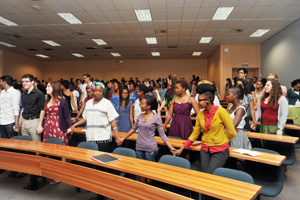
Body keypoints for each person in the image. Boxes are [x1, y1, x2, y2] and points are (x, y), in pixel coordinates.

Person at [176, 84, 236, 174]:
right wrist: (183, 147)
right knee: (204, 174)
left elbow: (232, 132)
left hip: (220, 150)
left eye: (200, 100)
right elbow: (195, 133)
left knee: (210, 174)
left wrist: (220, 140)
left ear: (208, 101)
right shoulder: (200, 114)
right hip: (205, 149)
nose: (197, 103)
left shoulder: (221, 112)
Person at [118, 95, 176, 164]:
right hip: (139, 148)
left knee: (149, 169)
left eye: (142, 104)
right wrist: (123, 138)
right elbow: (133, 129)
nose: (140, 105)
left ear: (149, 106)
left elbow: (162, 134)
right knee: (140, 169)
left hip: (150, 149)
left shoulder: (156, 117)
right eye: (140, 103)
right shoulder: (140, 116)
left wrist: (170, 147)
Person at [68, 82, 121, 152]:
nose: (97, 93)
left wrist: (117, 136)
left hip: (103, 138)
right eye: (95, 91)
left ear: (103, 92)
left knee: (101, 160)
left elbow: (113, 121)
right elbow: (85, 118)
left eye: (100, 91)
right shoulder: (88, 103)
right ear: (92, 91)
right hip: (91, 137)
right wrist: (74, 125)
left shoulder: (107, 103)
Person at [36, 81, 72, 145]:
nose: (46, 88)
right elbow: (43, 111)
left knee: (58, 143)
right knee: (48, 144)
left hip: (58, 125)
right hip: (48, 125)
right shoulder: (48, 99)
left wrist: (70, 127)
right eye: (46, 86)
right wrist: (40, 124)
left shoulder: (61, 100)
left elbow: (67, 115)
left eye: (48, 86)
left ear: (55, 88)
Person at [17, 74, 45, 142]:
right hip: (24, 121)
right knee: (25, 145)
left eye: (26, 81)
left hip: (34, 121)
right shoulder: (23, 94)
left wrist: (39, 125)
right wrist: (19, 124)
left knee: (36, 145)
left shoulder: (39, 94)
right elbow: (23, 109)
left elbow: (42, 110)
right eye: (23, 81)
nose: (24, 83)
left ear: (32, 82)